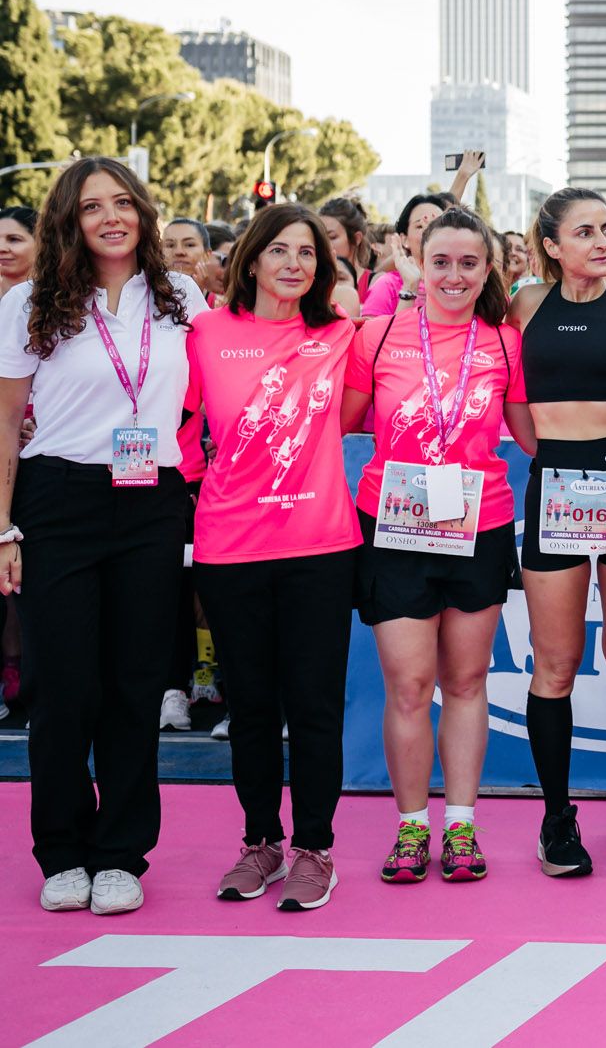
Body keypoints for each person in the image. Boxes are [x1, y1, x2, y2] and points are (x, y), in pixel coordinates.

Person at [0, 157, 206, 916]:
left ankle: (120, 850)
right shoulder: (31, 301)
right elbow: (4, 425)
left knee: (133, 684)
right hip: (58, 498)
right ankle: (61, 848)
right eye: (93, 207)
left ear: (146, 212)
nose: (112, 217)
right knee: (61, 686)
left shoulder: (179, 294)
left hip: (153, 497)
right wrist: (2, 528)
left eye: (125, 202)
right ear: (70, 220)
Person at [342, 206, 534, 886]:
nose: (454, 274)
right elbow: (338, 422)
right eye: (442, 260)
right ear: (418, 262)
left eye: (469, 263)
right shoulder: (377, 333)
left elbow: (534, 436)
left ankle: (461, 825)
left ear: (489, 269)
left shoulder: (505, 343)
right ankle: (409, 826)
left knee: (466, 680)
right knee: (408, 684)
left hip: (479, 527)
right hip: (392, 526)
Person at [185, 204, 360, 911]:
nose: (295, 263)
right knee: (252, 706)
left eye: (309, 253)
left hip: (320, 548)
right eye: (280, 250)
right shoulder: (204, 333)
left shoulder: (341, 334)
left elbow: (353, 413)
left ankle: (315, 848)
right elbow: (183, 429)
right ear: (250, 258)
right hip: (229, 548)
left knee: (314, 706)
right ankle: (260, 840)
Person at [507, 190, 606, 876]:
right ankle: (556, 816)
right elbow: (515, 405)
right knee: (556, 663)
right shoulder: (523, 303)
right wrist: (550, 458)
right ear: (550, 244)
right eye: (586, 231)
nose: (601, 240)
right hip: (556, 493)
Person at [0, 206, 32, 719]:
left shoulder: (50, 300)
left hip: (38, 465)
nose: (2, 247)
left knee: (22, 581)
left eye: (14, 237)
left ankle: (19, 668)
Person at [361, 192, 452, 318]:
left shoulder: (461, 280)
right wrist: (409, 288)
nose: (430, 232)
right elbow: (371, 336)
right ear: (404, 239)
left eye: (438, 225)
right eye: (420, 226)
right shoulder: (388, 285)